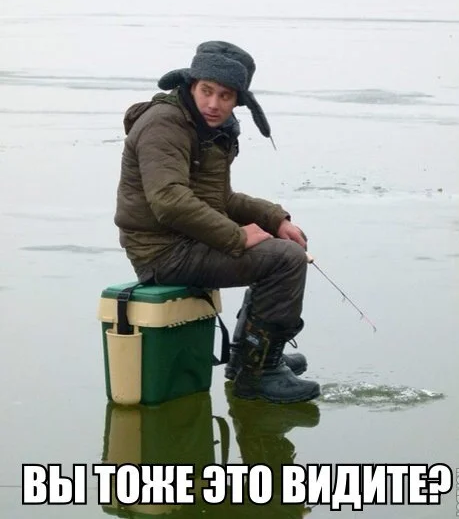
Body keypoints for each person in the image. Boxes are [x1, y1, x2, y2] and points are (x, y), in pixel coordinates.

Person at [114, 40, 320, 404]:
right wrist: (236, 236)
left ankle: (250, 356)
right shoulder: (165, 124)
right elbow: (169, 201)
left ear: (237, 100)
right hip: (162, 253)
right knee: (284, 260)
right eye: (206, 91)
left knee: (284, 245)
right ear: (191, 85)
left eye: (225, 96)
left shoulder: (210, 128)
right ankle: (259, 374)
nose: (213, 104)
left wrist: (275, 219)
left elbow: (221, 200)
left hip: (188, 241)